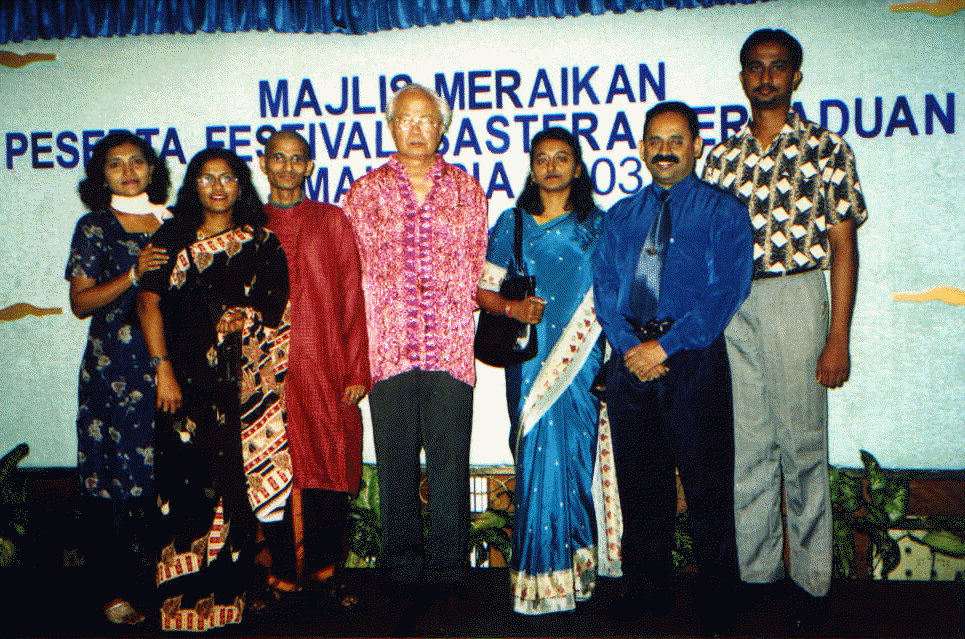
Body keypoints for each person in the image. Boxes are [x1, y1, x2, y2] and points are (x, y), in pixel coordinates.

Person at [702, 29, 867, 613]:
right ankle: (758, 577)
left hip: (798, 295)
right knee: (748, 447)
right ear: (742, 76)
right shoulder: (721, 158)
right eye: (755, 67)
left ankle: (813, 582)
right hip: (735, 304)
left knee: (801, 446)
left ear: (796, 76)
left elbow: (844, 248)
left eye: (778, 67)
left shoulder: (827, 150)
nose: (766, 77)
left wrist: (837, 338)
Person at [593, 101, 752, 629]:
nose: (665, 150)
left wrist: (664, 348)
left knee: (707, 487)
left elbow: (726, 290)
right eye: (655, 141)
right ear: (642, 148)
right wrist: (629, 348)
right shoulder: (620, 217)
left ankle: (717, 603)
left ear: (696, 146)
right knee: (641, 489)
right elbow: (606, 289)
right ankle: (647, 598)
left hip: (692, 361)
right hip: (629, 365)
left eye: (676, 140)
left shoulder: (721, 211)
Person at [343, 83, 488, 602]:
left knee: (450, 462)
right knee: (396, 461)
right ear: (390, 126)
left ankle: (451, 569)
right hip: (387, 351)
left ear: (441, 126)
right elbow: (351, 276)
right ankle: (402, 566)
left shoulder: (468, 190)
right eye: (406, 119)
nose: (417, 129)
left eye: (427, 119)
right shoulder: (364, 193)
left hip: (450, 351)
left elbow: (477, 268)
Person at [137, 148, 290, 632]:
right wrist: (163, 370)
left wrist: (243, 319)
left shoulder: (264, 244)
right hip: (181, 388)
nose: (218, 187)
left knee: (235, 494)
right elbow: (148, 305)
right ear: (193, 186)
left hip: (241, 392)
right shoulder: (170, 239)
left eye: (228, 178)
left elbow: (276, 312)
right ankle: (180, 608)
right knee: (185, 494)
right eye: (207, 178)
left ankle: (227, 604)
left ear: (241, 186)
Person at [476, 127, 617, 615]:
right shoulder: (511, 223)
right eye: (542, 158)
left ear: (578, 168)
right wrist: (515, 310)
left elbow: (615, 295)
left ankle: (575, 576)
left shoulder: (598, 226)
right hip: (532, 360)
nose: (552, 166)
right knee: (538, 459)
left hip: (581, 359)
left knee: (575, 461)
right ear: (531, 167)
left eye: (563, 158)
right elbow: (485, 292)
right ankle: (537, 581)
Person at [259, 130, 370, 608]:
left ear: (309, 167)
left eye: (296, 159)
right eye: (277, 158)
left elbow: (351, 297)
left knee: (327, 465)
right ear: (263, 165)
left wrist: (356, 370)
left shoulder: (332, 221)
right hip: (264, 376)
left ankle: (325, 573)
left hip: (324, 367)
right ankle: (277, 577)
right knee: (270, 473)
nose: (286, 167)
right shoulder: (249, 224)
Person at [67, 131, 171, 625]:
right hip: (114, 373)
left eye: (137, 162)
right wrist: (131, 275)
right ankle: (112, 591)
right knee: (109, 481)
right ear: (100, 174)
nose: (128, 171)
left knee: (168, 481)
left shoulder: (173, 223)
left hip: (168, 369)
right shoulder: (95, 227)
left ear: (153, 170)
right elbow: (80, 303)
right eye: (115, 164)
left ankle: (167, 584)